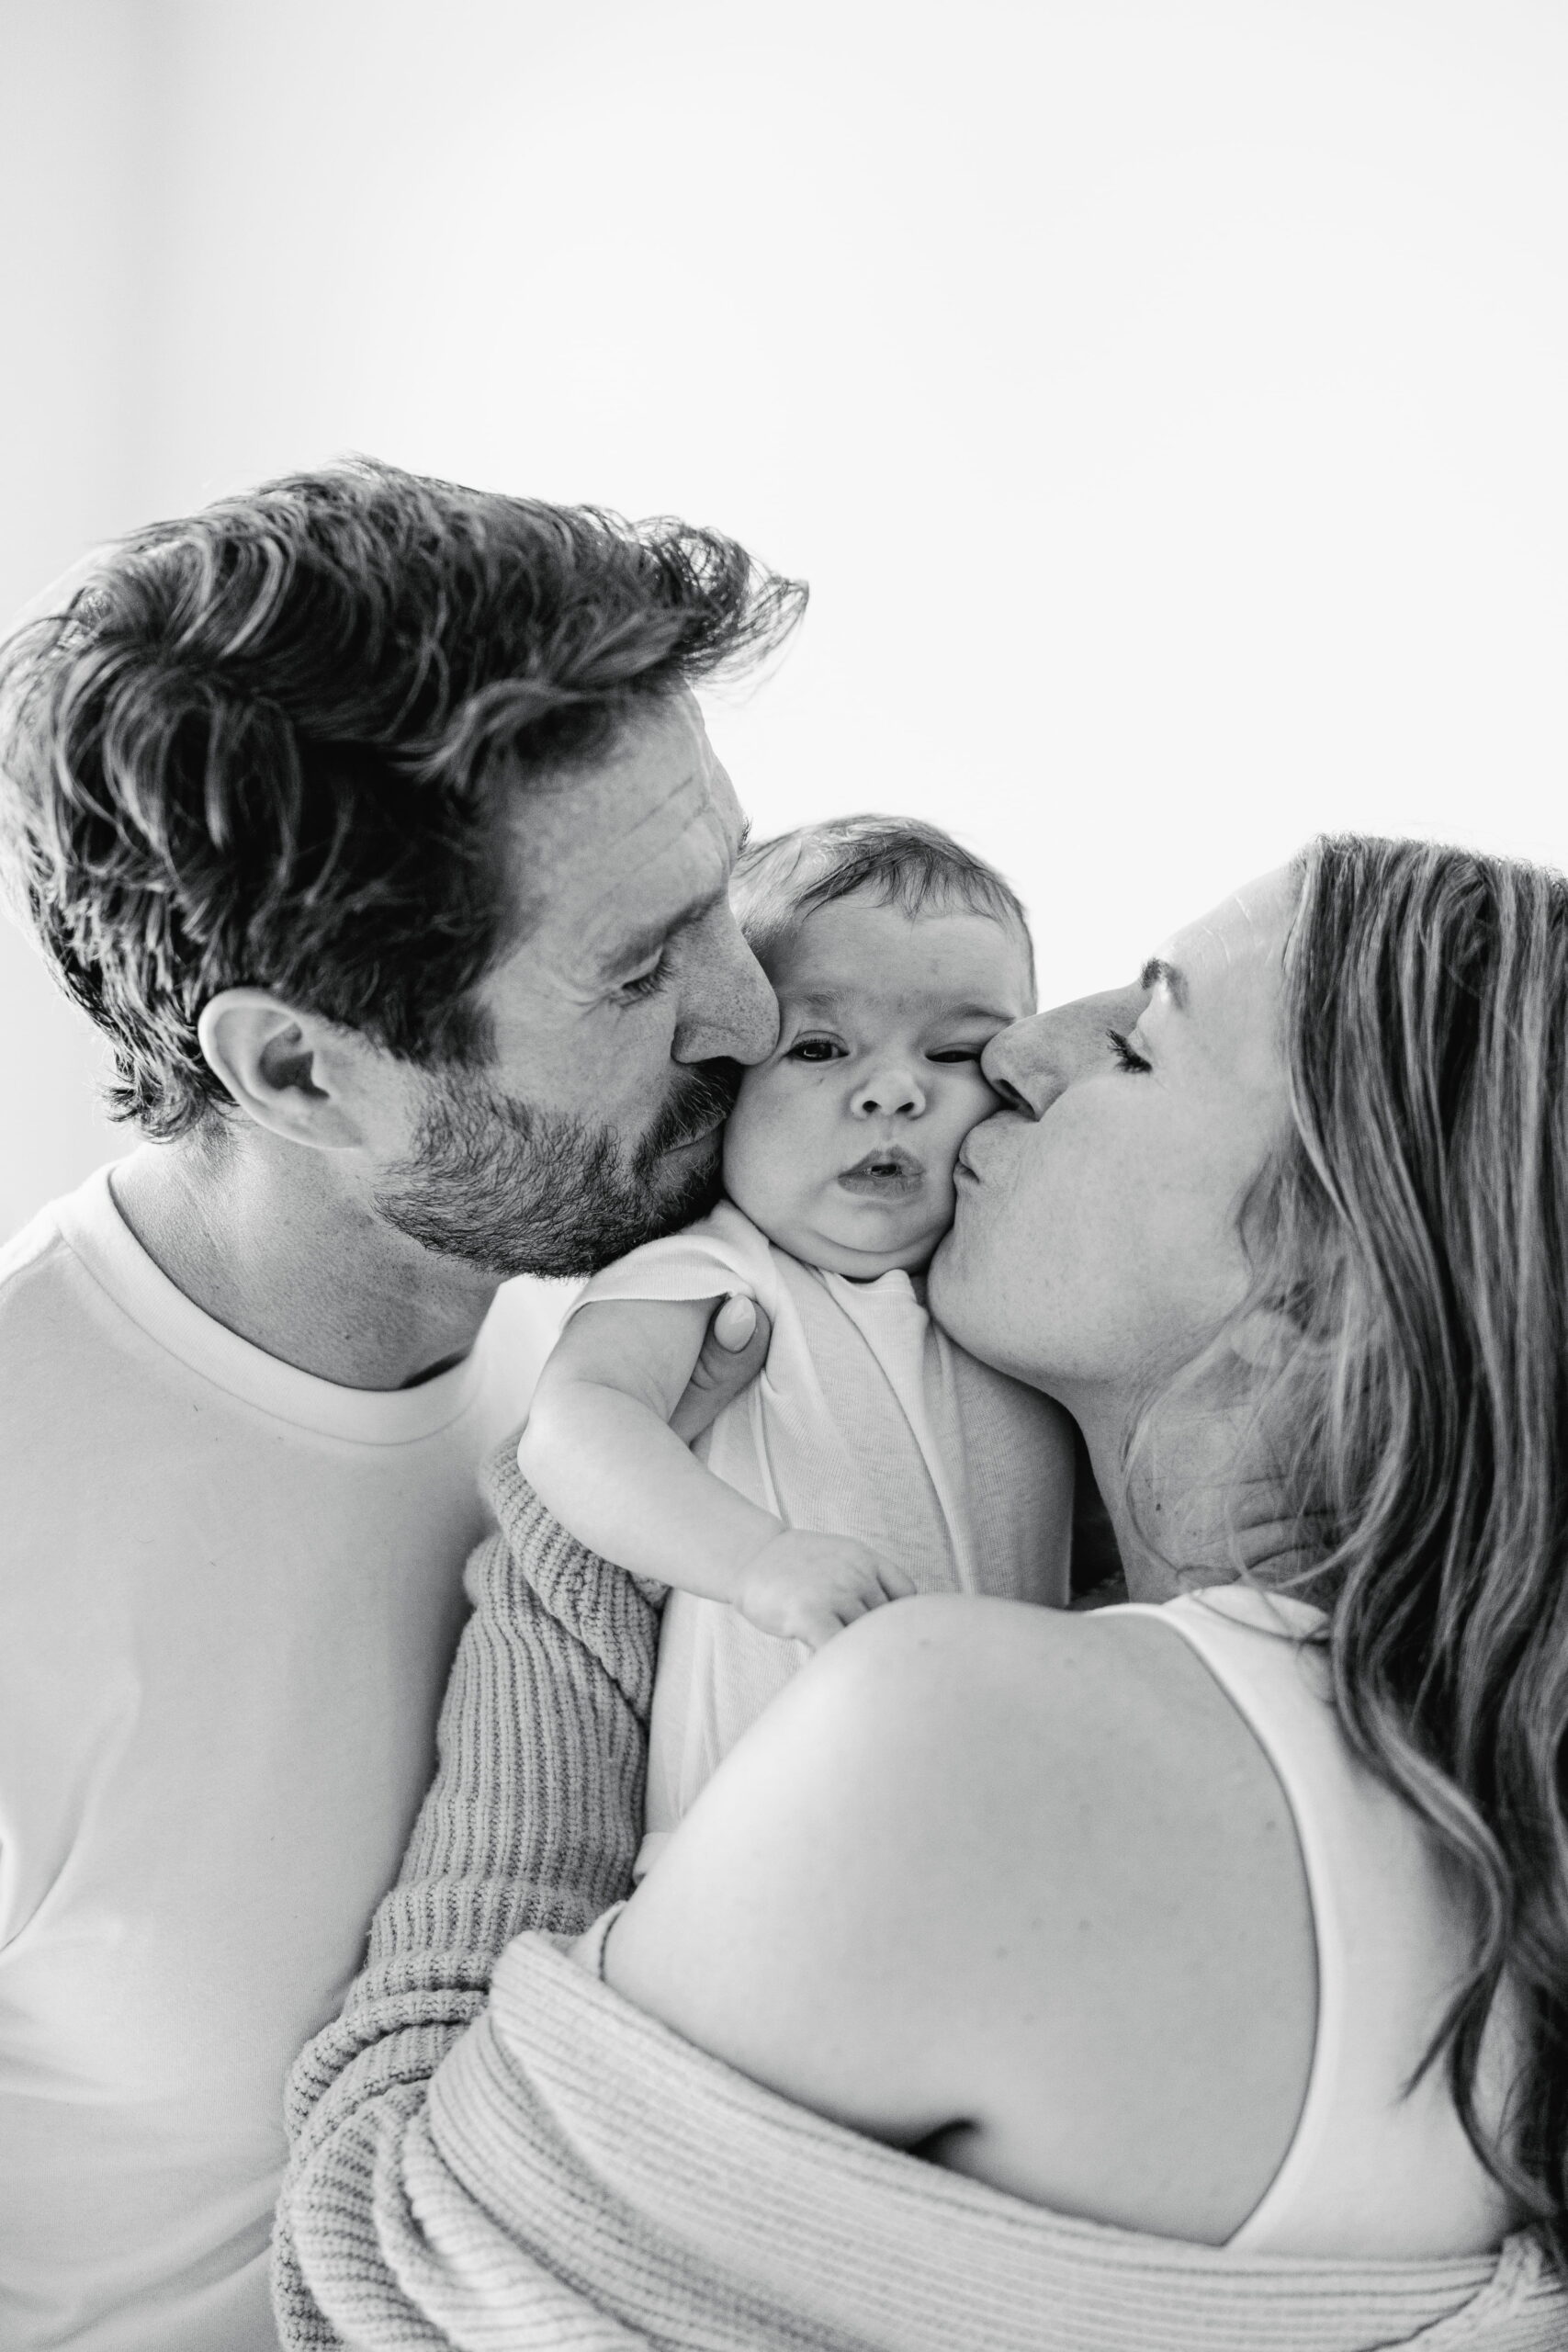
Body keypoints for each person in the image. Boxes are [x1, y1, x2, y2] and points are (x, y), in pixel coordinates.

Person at [277, 833, 1568, 2349]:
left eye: (1143, 1046)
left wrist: (566, 1581)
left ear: (1314, 1306)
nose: (1012, 1053)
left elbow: (385, 2281)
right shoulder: (1482, 1826)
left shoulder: (978, 1738)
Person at [0, 460, 804, 2352]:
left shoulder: (694, 1295)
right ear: (300, 1064)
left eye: (727, 901)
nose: (755, 1013)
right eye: (638, 965)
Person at [520, 815, 1076, 1875]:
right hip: (748, 1852)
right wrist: (756, 1561)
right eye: (820, 1048)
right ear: (724, 1086)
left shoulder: (1011, 1300)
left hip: (992, 1848)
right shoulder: (724, 1273)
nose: (893, 1091)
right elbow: (574, 1425)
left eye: (956, 1053)